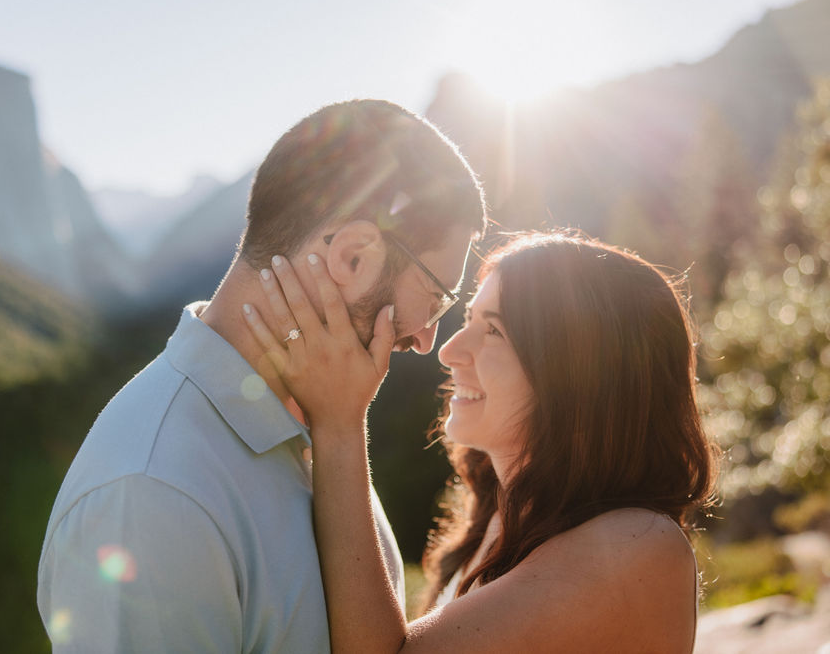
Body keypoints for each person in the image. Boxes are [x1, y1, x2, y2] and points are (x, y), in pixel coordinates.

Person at [36, 99, 487, 651]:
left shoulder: (322, 421)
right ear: (352, 258)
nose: (426, 340)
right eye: (438, 298)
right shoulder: (155, 494)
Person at [242, 230, 718, 653]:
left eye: (493, 330)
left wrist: (339, 424)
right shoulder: (497, 514)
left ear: (581, 375)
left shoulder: (636, 545)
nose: (449, 351)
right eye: (468, 319)